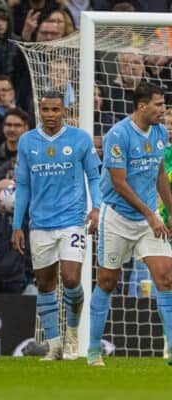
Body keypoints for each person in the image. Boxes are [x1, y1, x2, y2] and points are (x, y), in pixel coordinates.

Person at [12, 91, 101, 361]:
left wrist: (96, 208)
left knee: (72, 278)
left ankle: (72, 333)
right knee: (44, 283)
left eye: (55, 109)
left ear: (64, 110)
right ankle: (54, 345)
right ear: (40, 111)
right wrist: (18, 225)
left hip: (72, 220)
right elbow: (24, 186)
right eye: (46, 110)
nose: (50, 115)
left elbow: (94, 177)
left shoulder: (80, 139)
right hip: (40, 224)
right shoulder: (27, 142)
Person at [88, 82, 172, 367]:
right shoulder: (118, 135)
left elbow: (159, 174)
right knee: (107, 282)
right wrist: (151, 214)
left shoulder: (160, 131)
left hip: (149, 218)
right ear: (142, 106)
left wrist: (169, 210)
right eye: (159, 104)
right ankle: (93, 350)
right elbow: (118, 182)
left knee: (166, 277)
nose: (164, 110)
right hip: (118, 217)